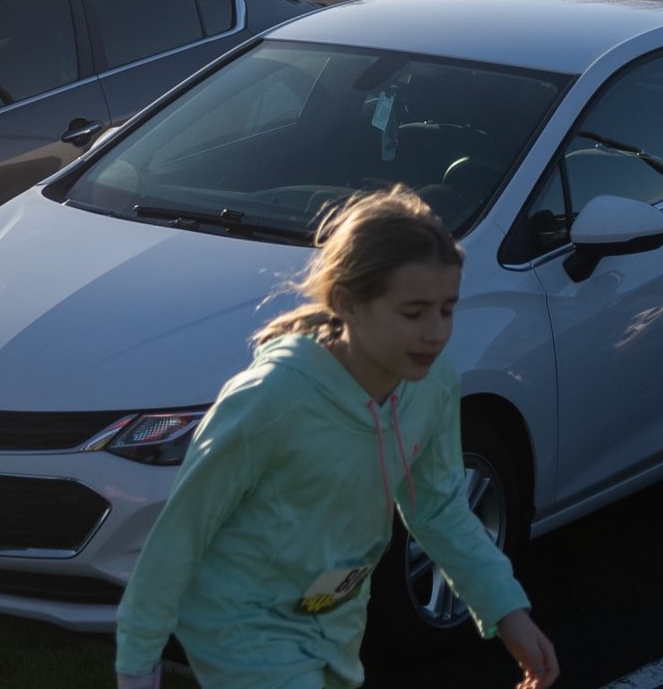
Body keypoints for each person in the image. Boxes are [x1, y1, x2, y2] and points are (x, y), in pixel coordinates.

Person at [115, 186, 560, 689]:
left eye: (447, 309)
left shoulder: (433, 385)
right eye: (413, 313)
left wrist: (509, 613)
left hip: (336, 617)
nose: (436, 332)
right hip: (240, 623)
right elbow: (180, 536)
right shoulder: (272, 399)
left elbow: (438, 509)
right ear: (348, 303)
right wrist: (137, 665)